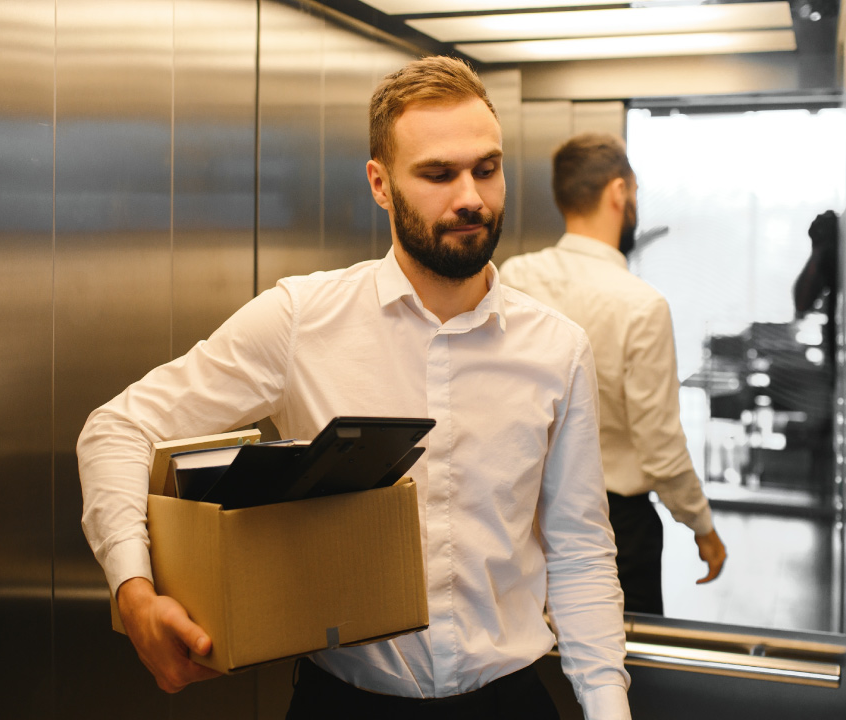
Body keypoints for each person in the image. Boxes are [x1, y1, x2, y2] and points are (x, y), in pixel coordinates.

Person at [76, 57, 630, 719]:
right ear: (380, 184)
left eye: (486, 169)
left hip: (509, 702)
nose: (471, 199)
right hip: (343, 703)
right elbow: (119, 427)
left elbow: (580, 549)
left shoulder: (557, 348)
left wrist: (608, 707)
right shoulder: (301, 321)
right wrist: (134, 592)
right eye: (438, 174)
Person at [501, 133, 727, 616]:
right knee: (619, 655)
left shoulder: (512, 280)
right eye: (635, 193)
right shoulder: (642, 305)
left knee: (539, 647)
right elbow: (660, 444)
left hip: (525, 516)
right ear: (619, 192)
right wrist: (701, 526)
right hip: (614, 526)